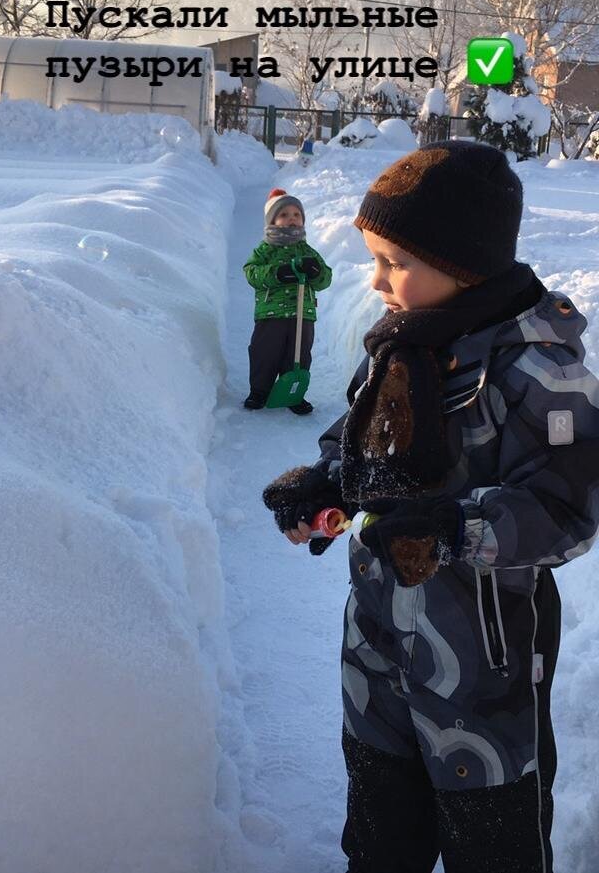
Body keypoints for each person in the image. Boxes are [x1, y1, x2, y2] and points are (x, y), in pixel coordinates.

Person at [261, 141, 599, 873]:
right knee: (381, 830)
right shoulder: (400, 341)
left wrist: (456, 528)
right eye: (374, 259)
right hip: (376, 647)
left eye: (395, 262)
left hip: (483, 667)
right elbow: (360, 437)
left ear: (464, 264)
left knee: (493, 845)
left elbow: (568, 505)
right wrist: (327, 483)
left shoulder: (536, 367)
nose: (376, 280)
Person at [243, 188, 332, 414]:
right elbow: (251, 273)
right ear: (272, 221)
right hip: (271, 313)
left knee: (299, 355)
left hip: (303, 314)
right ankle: (259, 390)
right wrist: (277, 273)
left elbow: (325, 280)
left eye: (296, 214)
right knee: (265, 352)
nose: (292, 218)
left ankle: (293, 393)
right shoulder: (265, 250)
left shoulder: (308, 251)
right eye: (284, 214)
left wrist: (316, 272)